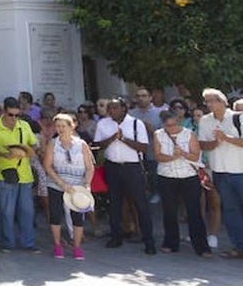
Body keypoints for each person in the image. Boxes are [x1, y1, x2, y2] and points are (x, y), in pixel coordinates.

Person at [94, 98, 155, 254]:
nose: (111, 111)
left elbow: (143, 147)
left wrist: (124, 139)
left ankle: (148, 240)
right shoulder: (103, 124)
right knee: (114, 203)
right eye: (110, 108)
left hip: (132, 167)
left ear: (124, 109)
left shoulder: (136, 124)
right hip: (112, 166)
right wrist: (112, 138)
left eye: (115, 108)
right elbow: (97, 145)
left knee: (140, 204)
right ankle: (116, 236)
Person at [0, 98, 39, 253]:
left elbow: (33, 143)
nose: (14, 118)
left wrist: (27, 150)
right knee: (6, 211)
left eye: (17, 115)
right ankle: (7, 242)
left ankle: (28, 242)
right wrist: (4, 153)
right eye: (11, 115)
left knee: (27, 210)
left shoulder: (24, 125)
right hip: (3, 173)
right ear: (4, 112)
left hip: (24, 174)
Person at [154, 110, 211, 257]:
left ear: (178, 121)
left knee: (194, 211)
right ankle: (171, 242)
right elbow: (158, 156)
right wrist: (173, 157)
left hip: (188, 176)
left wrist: (183, 154)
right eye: (168, 126)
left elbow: (195, 155)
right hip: (167, 176)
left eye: (173, 125)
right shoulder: (158, 134)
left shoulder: (189, 134)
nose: (171, 128)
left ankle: (201, 246)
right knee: (169, 211)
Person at [197, 88, 243, 259]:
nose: (208, 104)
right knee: (230, 210)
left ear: (222, 101)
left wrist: (226, 138)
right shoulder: (205, 121)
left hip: (240, 170)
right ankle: (239, 247)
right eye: (206, 101)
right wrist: (214, 143)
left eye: (211, 100)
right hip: (220, 172)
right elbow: (202, 144)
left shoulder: (238, 117)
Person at [43, 113, 95, 260]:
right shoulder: (53, 143)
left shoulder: (81, 144)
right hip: (57, 184)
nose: (60, 129)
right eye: (58, 126)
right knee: (55, 215)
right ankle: (57, 245)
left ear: (71, 127)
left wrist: (86, 184)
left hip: (77, 186)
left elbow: (90, 167)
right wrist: (61, 183)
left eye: (63, 126)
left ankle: (77, 246)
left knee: (77, 216)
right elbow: (47, 166)